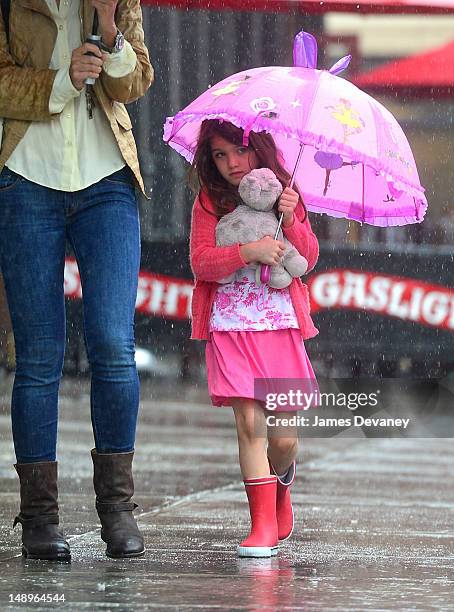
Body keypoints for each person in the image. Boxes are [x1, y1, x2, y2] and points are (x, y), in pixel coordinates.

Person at [0, 0, 153, 561]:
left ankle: (117, 511)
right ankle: (39, 518)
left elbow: (136, 81)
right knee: (39, 356)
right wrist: (63, 80)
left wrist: (110, 28)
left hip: (107, 180)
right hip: (24, 178)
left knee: (113, 344)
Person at [189, 119, 319, 557]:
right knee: (250, 425)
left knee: (283, 439)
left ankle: (281, 487)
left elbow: (309, 257)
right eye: (220, 155)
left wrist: (290, 218)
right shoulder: (210, 201)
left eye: (238, 152)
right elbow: (201, 262)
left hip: (279, 326)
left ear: (257, 150)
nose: (230, 164)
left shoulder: (284, 194)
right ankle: (261, 523)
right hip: (231, 326)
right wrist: (248, 252)